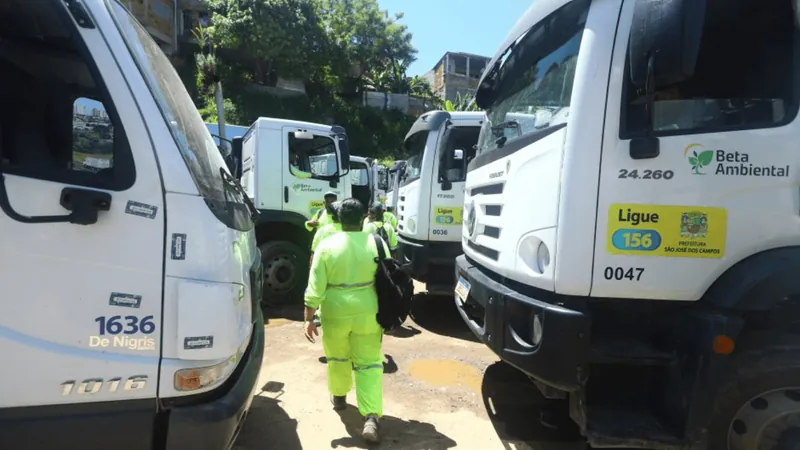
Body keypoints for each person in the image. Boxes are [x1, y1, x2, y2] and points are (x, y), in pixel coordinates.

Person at [303, 198, 391, 444]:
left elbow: (315, 287)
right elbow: (388, 278)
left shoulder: (327, 245)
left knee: (338, 357)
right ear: (364, 217)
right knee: (369, 363)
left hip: (335, 311)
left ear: (339, 219)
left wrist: (309, 319)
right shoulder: (377, 243)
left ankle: (340, 397)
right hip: (368, 311)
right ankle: (371, 416)